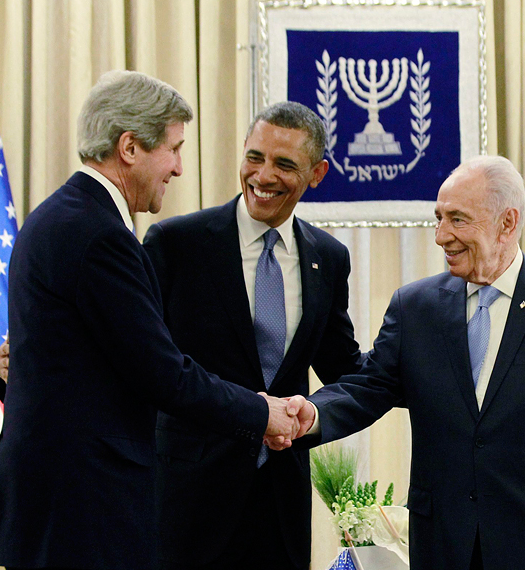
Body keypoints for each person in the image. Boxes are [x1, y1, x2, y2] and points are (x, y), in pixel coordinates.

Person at [0, 71, 302, 570]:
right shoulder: (97, 235)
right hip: (82, 511)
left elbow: (59, 365)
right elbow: (163, 373)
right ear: (130, 147)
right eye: (172, 149)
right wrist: (262, 413)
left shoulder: (59, 216)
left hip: (59, 504)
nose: (177, 168)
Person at [288, 156, 525, 570]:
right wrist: (314, 411)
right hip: (443, 543)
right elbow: (369, 385)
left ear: (507, 223)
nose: (441, 235)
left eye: (458, 220)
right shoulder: (415, 307)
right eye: (439, 218)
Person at [144, 101, 364, 570]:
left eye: (285, 164)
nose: (263, 176)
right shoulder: (176, 244)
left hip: (280, 505)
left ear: (318, 173)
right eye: (255, 158)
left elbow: (344, 368)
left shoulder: (329, 257)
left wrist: (419, 362)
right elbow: (145, 364)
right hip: (187, 502)